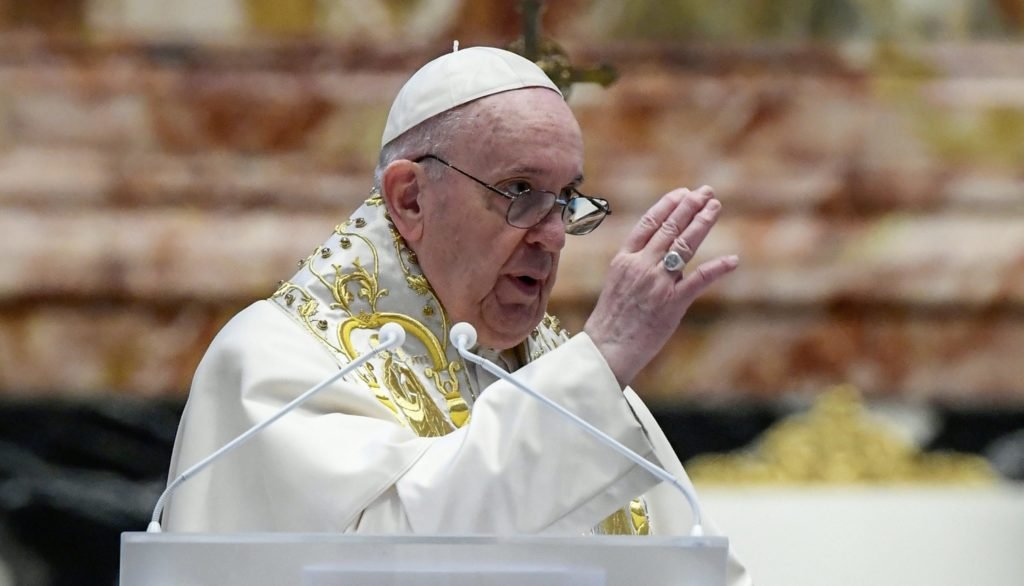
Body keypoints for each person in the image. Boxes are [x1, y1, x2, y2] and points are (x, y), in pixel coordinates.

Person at [162, 46, 750, 584]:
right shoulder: (276, 357)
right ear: (410, 198)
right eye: (520, 191)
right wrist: (605, 355)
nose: (553, 235)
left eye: (567, 199)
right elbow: (401, 559)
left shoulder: (573, 378)